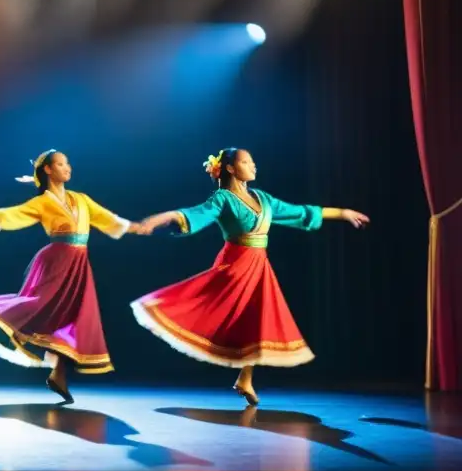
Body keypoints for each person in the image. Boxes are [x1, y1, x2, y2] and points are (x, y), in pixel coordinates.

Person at [130, 148, 369, 405]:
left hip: (259, 267)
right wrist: (161, 219)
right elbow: (196, 214)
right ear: (231, 168)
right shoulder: (223, 198)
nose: (254, 165)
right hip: (234, 266)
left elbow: (300, 212)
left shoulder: (263, 199)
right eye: (246, 161)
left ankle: (245, 378)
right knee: (212, 307)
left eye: (253, 161)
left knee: (257, 320)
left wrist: (342, 213)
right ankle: (162, 310)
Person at [0, 150, 143, 403]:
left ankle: (58, 374)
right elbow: (15, 214)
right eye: (61, 164)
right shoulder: (43, 202)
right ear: (48, 170)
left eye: (68, 163)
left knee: (73, 318)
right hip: (56, 262)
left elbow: (107, 218)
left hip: (79, 264)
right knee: (38, 308)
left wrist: (135, 227)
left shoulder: (81, 199)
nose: (67, 167)